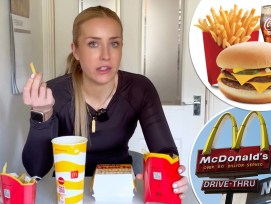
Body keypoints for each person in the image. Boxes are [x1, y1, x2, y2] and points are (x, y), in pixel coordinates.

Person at [22, 6, 188, 198]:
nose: (106, 55)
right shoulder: (54, 93)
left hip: (122, 191)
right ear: (75, 50)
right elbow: (36, 169)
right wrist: (41, 115)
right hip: (68, 192)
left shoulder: (140, 89)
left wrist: (172, 175)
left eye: (114, 43)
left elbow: (165, 153)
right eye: (93, 44)